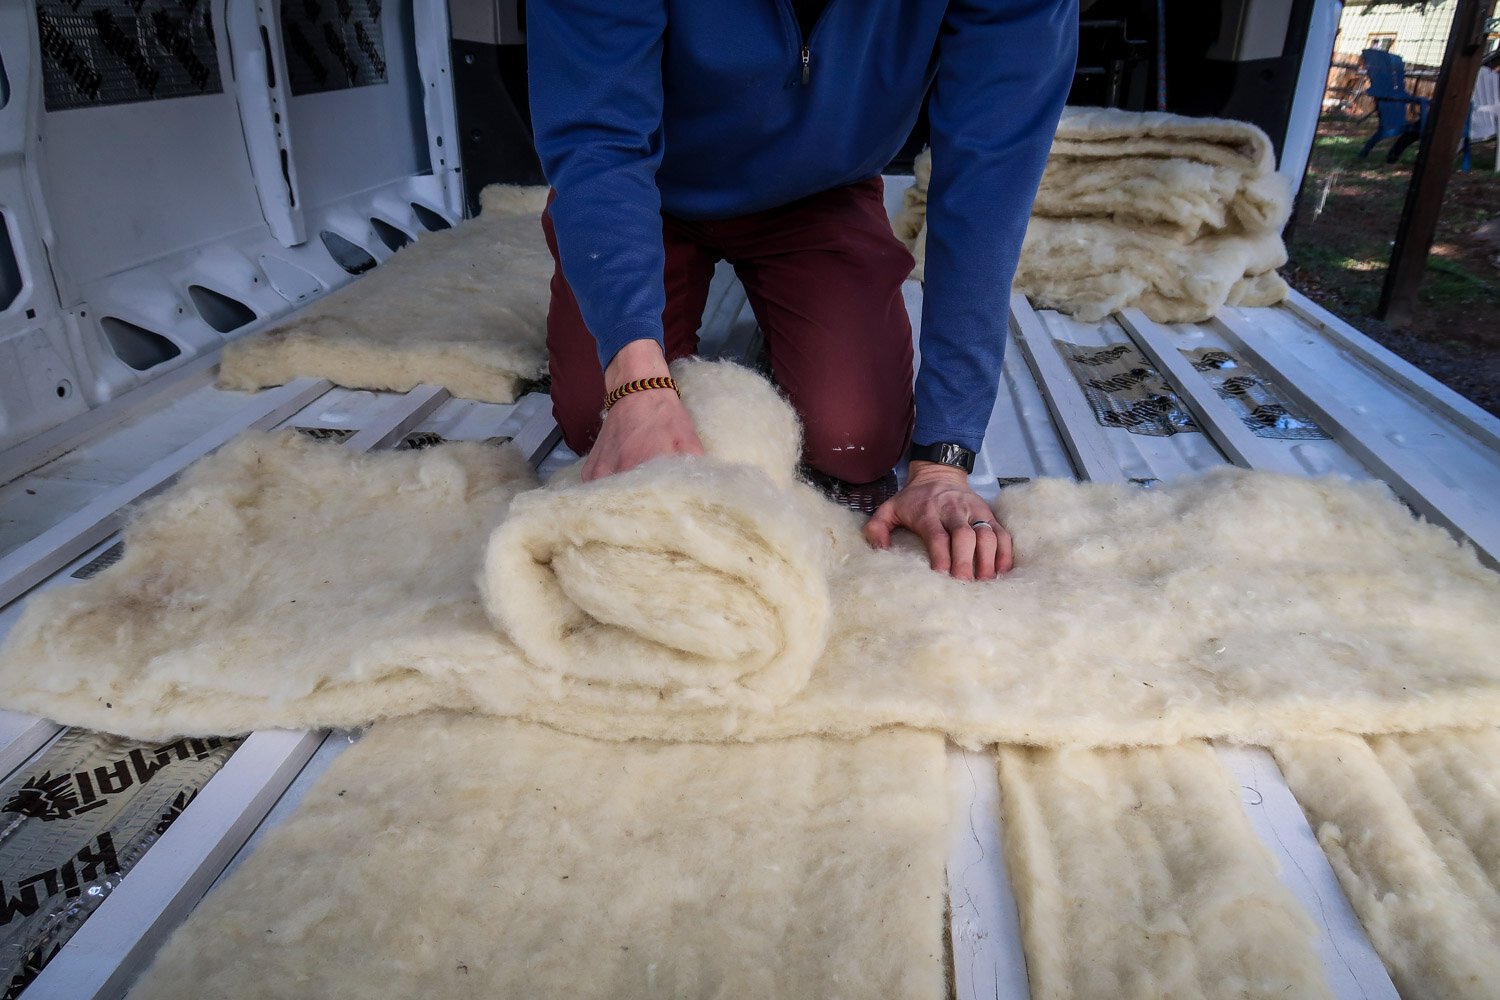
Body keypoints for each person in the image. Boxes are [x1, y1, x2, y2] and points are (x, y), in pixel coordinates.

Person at [528, 0, 1076, 581]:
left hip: (819, 193)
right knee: (599, 421)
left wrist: (943, 461)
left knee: (856, 441)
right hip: (643, 191)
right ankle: (631, 301)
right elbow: (597, 138)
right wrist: (634, 376)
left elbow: (989, 185)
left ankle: (792, 312)